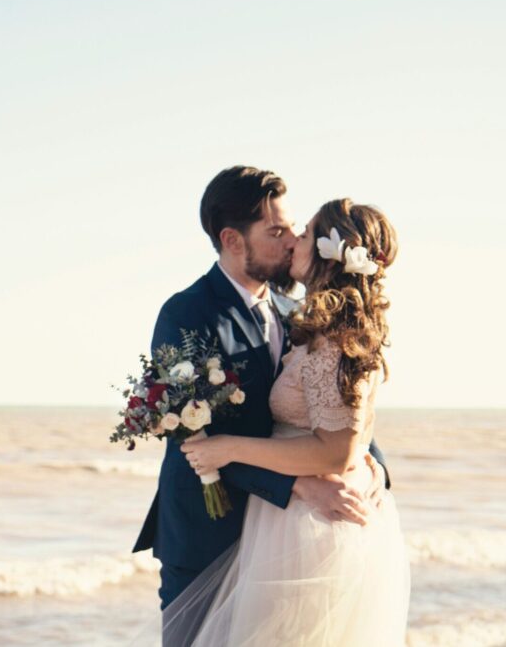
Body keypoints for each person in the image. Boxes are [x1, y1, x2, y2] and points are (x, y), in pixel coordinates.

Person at [132, 167, 391, 625]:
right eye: (276, 231)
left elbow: (334, 406)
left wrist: (372, 468)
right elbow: (195, 441)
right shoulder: (186, 314)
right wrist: (298, 484)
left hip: (290, 544)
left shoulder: (301, 312)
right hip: (209, 533)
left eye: (294, 227)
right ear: (233, 240)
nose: (292, 240)